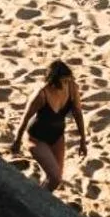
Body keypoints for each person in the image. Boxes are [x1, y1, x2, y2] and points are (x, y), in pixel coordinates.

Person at [11, 60, 85, 192]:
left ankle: (39, 198)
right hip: (36, 138)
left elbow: (78, 114)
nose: (66, 83)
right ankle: (37, 204)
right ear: (54, 81)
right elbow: (25, 117)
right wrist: (17, 141)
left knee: (55, 179)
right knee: (54, 178)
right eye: (63, 81)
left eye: (68, 80)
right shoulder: (42, 94)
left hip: (57, 137)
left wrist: (82, 140)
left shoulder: (72, 87)